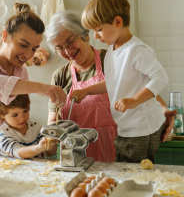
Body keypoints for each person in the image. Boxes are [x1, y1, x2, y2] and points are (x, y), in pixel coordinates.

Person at [46, 11, 175, 162]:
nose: (67, 51)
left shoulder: (114, 59)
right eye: (59, 47)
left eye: (70, 42)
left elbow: (147, 91)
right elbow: (54, 120)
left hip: (122, 151)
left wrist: (164, 111)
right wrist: (48, 141)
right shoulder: (60, 76)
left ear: (85, 36)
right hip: (79, 160)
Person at [0, 3, 67, 155]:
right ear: (5, 36)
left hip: (10, 157)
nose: (29, 55)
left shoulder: (21, 72)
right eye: (23, 45)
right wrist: (39, 87)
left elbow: (19, 117)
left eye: (34, 49)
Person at [0, 94, 58, 159]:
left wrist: (51, 142)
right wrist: (39, 148)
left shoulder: (36, 127)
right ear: (1, 114)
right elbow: (18, 152)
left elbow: (50, 154)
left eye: (25, 111)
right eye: (15, 115)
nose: (22, 118)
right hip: (12, 169)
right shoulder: (2, 133)